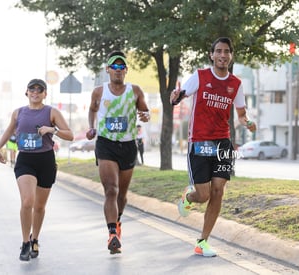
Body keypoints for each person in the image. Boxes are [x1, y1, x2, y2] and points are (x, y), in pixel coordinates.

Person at [170, 37, 257, 257]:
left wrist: (248, 122)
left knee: (218, 191)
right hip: (199, 141)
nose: (222, 55)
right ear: (212, 55)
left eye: (226, 51)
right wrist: (174, 98)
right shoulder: (200, 77)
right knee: (204, 195)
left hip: (223, 142)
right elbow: (179, 97)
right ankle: (188, 198)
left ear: (231, 55)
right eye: (218, 51)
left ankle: (202, 242)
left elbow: (241, 113)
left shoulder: (236, 84)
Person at [0, 78, 74, 261]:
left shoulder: (51, 112)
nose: (35, 92)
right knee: (27, 201)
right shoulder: (18, 113)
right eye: (32, 89)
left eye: (40, 90)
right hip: (26, 160)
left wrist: (51, 129)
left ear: (45, 93)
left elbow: (69, 135)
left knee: (39, 206)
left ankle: (35, 238)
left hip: (45, 160)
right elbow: (8, 131)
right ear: (27, 92)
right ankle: (25, 243)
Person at [86, 51, 150, 254]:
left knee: (122, 194)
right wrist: (91, 126)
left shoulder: (135, 90)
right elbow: (92, 109)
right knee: (111, 190)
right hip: (106, 144)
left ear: (126, 71)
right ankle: (112, 233)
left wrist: (145, 115)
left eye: (122, 68)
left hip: (128, 145)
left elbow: (145, 111)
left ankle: (118, 221)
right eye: (114, 67)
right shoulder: (98, 91)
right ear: (108, 70)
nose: (118, 71)